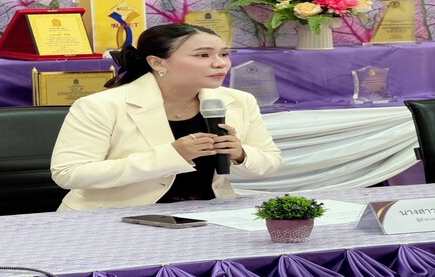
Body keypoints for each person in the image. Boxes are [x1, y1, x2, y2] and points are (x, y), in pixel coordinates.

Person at [51, 23, 282, 210]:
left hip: (208, 214)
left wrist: (240, 154)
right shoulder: (100, 106)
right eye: (203, 55)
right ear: (158, 62)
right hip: (113, 217)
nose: (220, 63)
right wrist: (171, 155)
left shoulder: (239, 101)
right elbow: (69, 174)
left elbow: (270, 162)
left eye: (224, 54)